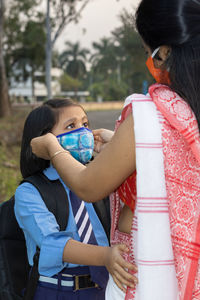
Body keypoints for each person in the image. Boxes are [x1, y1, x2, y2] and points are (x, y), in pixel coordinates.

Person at [30, 0, 200, 299]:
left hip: (149, 273)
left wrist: (52, 148)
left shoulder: (147, 117)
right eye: (71, 127)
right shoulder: (188, 112)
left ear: (165, 53)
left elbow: (88, 184)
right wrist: (122, 147)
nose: (82, 131)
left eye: (149, 54)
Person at [14, 98, 137, 300]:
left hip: (105, 286)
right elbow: (52, 244)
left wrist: (115, 147)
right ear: (44, 141)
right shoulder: (30, 191)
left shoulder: (99, 182)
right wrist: (105, 255)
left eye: (85, 124)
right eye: (71, 125)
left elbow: (138, 187)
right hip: (57, 290)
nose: (83, 132)